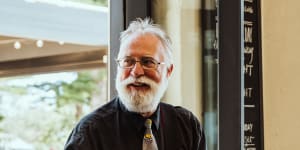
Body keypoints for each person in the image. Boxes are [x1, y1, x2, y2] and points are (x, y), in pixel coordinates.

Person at [64, 18, 206, 150]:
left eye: (147, 62)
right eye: (128, 61)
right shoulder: (90, 133)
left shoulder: (187, 126)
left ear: (168, 71)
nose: (136, 72)